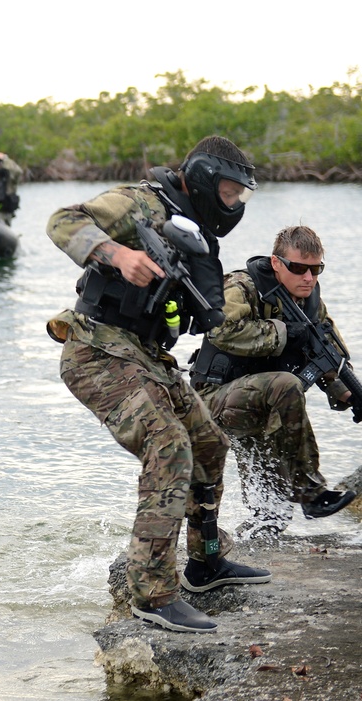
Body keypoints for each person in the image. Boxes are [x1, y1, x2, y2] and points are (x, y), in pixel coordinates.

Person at [45, 135, 270, 634]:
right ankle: (152, 592)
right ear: (208, 179)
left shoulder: (199, 234)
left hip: (148, 355)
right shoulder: (142, 201)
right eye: (231, 193)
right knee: (169, 444)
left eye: (241, 197)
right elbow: (62, 220)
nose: (234, 204)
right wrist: (114, 255)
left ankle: (206, 562)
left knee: (210, 443)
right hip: (95, 349)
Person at [191, 225, 357, 537]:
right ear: (277, 263)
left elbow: (328, 357)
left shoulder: (310, 303)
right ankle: (310, 493)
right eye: (298, 268)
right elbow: (219, 329)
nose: (308, 277)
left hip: (265, 405)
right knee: (287, 385)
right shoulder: (242, 287)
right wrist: (282, 332)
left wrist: (347, 394)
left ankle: (254, 542)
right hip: (214, 400)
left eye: (315, 269)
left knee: (270, 516)